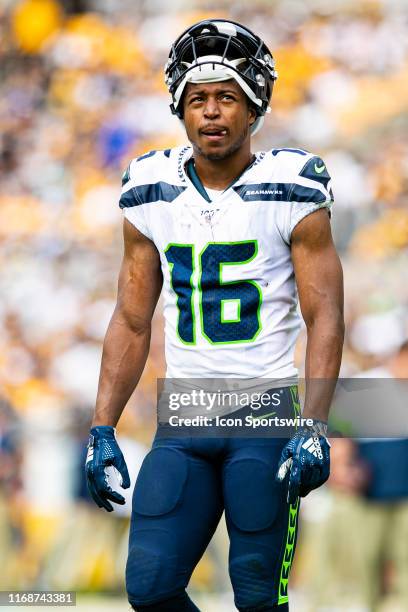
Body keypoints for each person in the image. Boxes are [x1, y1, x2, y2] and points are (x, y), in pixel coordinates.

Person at [85, 19, 344, 612]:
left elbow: (324, 316)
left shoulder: (290, 185)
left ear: (253, 106)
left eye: (226, 97)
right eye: (197, 99)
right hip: (184, 421)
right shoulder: (149, 189)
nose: (211, 113)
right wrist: (103, 426)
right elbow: (130, 319)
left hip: (267, 419)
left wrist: (317, 424)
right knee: (149, 588)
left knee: (256, 597)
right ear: (178, 105)